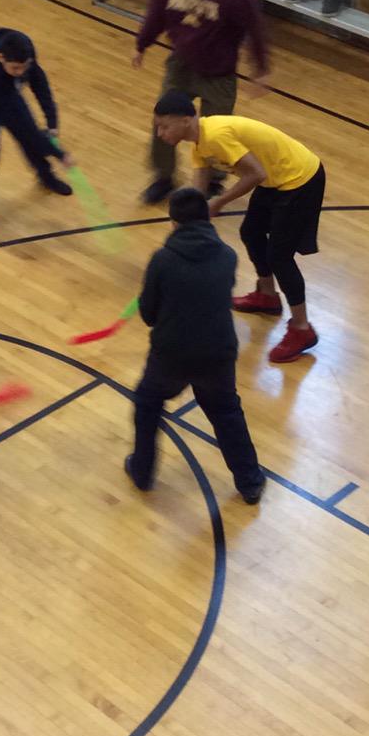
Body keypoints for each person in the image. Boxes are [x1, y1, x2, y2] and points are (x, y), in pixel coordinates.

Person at [153, 91, 326, 364]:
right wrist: (185, 221)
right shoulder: (199, 143)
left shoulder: (216, 135)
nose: (160, 133)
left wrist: (220, 201)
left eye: (165, 126)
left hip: (299, 178)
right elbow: (199, 192)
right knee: (251, 232)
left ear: (186, 120)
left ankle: (302, 329)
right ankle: (267, 296)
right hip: (275, 179)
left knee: (279, 257)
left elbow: (256, 174)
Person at [126, 186, 266, 504]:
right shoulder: (228, 256)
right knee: (226, 411)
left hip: (171, 354)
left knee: (148, 404)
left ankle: (143, 472)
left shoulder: (162, 260)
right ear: (208, 217)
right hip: (217, 352)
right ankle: (250, 482)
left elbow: (148, 314)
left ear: (173, 222)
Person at [133, 0, 269, 204]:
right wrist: (141, 45)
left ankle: (213, 182)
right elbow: (155, 16)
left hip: (218, 73)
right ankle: (163, 177)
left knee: (215, 133)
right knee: (163, 121)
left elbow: (255, 29)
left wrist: (261, 69)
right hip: (181, 66)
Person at [0, 28, 74, 240]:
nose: (21, 72)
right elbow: (27, 127)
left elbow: (39, 83)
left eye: (24, 67)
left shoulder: (25, 50)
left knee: (27, 135)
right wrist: (60, 153)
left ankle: (46, 176)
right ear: (0, 58)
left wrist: (52, 122)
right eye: (15, 68)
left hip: (4, 92)